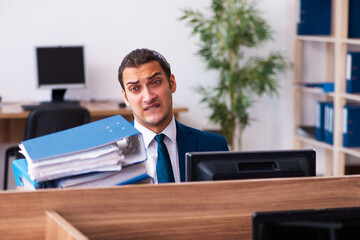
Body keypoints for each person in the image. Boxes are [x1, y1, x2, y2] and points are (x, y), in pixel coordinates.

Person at [118, 48, 229, 183]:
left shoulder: (214, 146)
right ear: (125, 98)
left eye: (155, 82)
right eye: (135, 88)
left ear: (172, 83)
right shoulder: (109, 156)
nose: (148, 97)